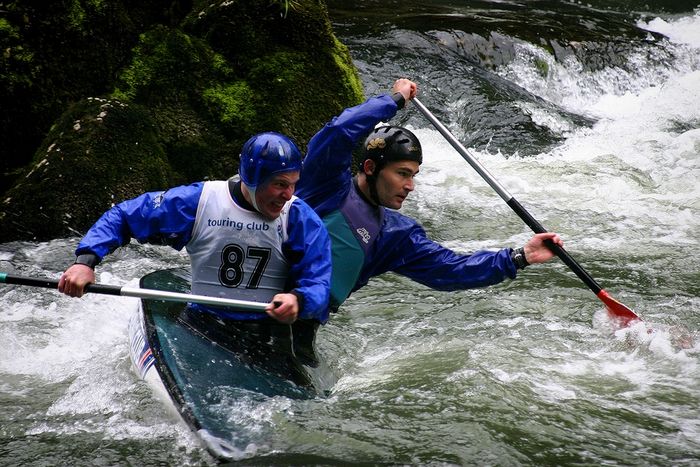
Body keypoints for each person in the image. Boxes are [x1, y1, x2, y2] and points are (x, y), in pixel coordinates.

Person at [59, 132, 332, 384]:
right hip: (202, 323)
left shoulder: (300, 219)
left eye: (293, 184)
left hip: (266, 334)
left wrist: (299, 299)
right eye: (279, 185)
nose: (288, 195)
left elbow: (319, 281)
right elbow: (124, 216)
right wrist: (85, 262)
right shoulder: (200, 201)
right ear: (253, 178)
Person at [295, 79, 563, 312]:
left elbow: (450, 269)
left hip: (301, 326)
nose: (410, 186)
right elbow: (339, 131)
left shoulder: (394, 234)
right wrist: (395, 100)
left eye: (413, 175)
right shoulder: (325, 186)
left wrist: (519, 257)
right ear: (370, 168)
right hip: (263, 299)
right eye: (402, 173)